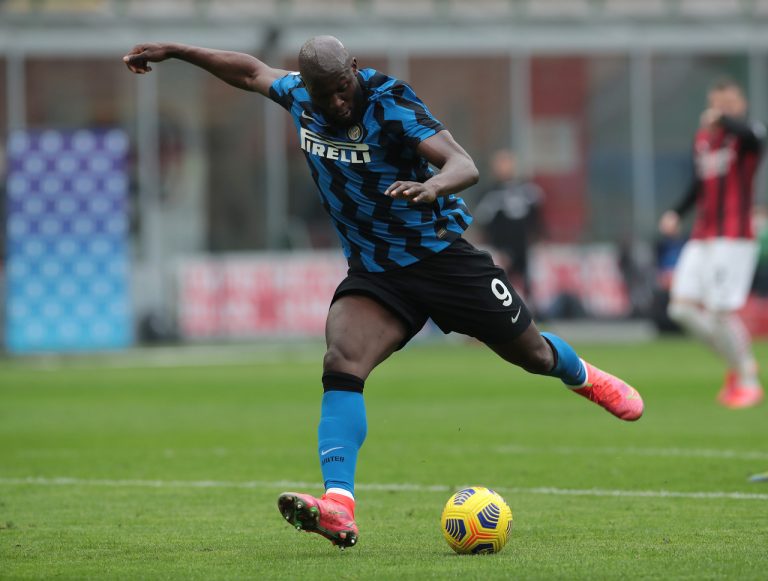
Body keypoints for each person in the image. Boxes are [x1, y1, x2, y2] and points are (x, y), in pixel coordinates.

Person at [123, 36, 644, 550]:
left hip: (442, 260)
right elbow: (250, 71)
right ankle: (339, 505)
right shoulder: (300, 94)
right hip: (377, 274)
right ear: (308, 87)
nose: (336, 102)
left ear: (354, 68)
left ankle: (583, 376)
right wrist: (178, 51)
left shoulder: (389, 101)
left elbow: (463, 163)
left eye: (342, 88)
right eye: (324, 93)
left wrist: (433, 186)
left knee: (532, 354)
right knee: (342, 360)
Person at [659, 79, 765, 409]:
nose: (721, 109)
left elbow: (751, 135)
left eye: (728, 103)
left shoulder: (749, 135)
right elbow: (698, 183)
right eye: (717, 103)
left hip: (734, 237)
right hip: (703, 234)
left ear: (741, 104)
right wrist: (676, 212)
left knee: (720, 312)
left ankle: (748, 380)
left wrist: (724, 119)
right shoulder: (704, 139)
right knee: (680, 309)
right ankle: (738, 362)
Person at [474, 149, 543, 300]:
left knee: (529, 284)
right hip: (500, 247)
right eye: (500, 164)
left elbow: (537, 216)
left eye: (507, 163)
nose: (504, 167)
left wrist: (537, 237)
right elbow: (483, 220)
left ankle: (532, 309)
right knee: (503, 285)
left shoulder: (528, 190)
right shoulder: (489, 193)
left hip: (524, 245)